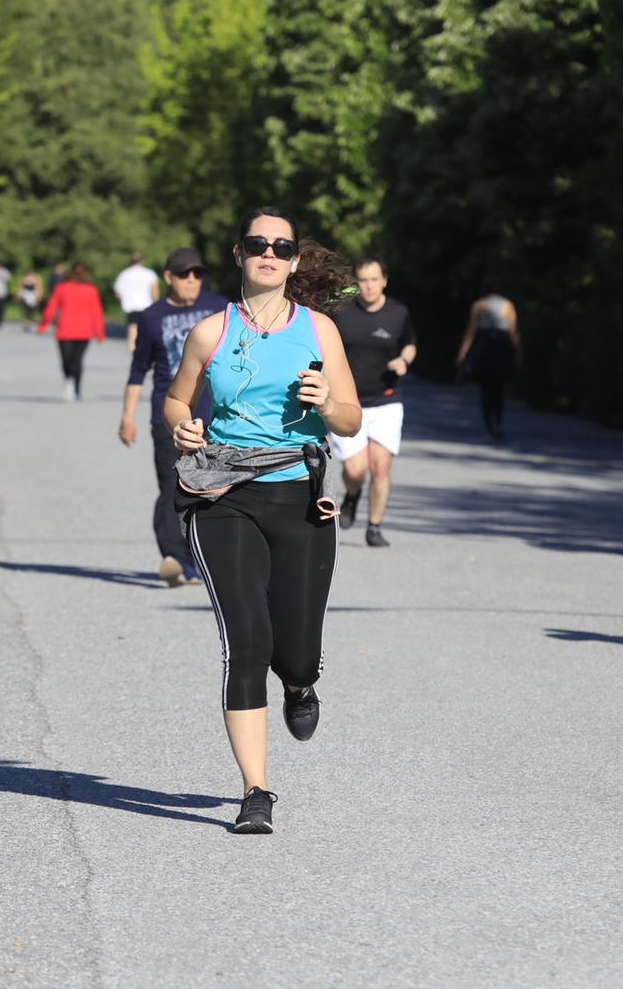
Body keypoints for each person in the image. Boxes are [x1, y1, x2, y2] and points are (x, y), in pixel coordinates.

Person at [164, 206, 362, 835]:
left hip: (297, 494)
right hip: (222, 494)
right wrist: (181, 424)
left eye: (281, 246)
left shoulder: (320, 330)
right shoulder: (208, 333)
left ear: (295, 260)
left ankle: (301, 684)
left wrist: (329, 402)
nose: (269, 253)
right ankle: (256, 790)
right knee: (246, 640)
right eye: (258, 244)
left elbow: (353, 419)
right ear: (239, 254)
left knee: (295, 650)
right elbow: (177, 396)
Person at [119, 247, 228, 586]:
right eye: (184, 274)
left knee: (211, 490)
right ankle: (172, 556)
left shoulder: (220, 308)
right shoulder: (152, 317)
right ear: (168, 277)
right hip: (167, 416)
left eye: (197, 273)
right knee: (172, 486)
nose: (192, 280)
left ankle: (199, 560)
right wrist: (127, 416)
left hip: (216, 415)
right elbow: (139, 370)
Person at [332, 256, 417, 547]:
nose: (368, 287)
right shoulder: (342, 313)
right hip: (349, 402)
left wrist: (405, 360)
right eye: (363, 281)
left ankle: (374, 527)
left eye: (374, 280)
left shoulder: (397, 313)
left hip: (387, 400)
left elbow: (410, 343)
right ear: (357, 284)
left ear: (384, 280)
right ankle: (353, 493)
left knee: (380, 467)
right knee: (356, 470)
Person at [454, 281, 519, 441]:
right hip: (503, 346)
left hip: (486, 347)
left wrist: (463, 352)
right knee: (500, 388)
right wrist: (517, 352)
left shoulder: (480, 305)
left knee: (486, 389)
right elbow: (513, 330)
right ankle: (498, 422)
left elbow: (471, 330)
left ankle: (489, 424)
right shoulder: (508, 305)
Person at [39, 263, 106, 401]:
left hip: (65, 330)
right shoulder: (90, 290)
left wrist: (44, 324)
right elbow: (97, 313)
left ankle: (71, 384)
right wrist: (99, 333)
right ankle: (75, 388)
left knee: (67, 360)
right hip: (83, 331)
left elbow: (51, 307)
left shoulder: (62, 288)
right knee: (77, 360)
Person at [113, 251, 161, 351]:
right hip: (146, 305)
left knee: (132, 327)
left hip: (131, 305)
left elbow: (118, 292)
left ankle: (133, 348)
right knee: (146, 328)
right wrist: (157, 304)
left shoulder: (125, 274)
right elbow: (154, 290)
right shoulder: (149, 273)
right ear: (142, 261)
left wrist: (125, 299)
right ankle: (145, 348)